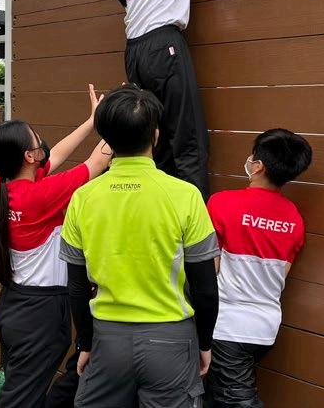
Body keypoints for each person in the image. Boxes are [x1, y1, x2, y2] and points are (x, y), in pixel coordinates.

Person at [60, 84, 221, 407]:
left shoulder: (83, 197)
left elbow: (76, 287)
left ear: (106, 140)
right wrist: (204, 343)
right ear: (155, 135)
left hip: (107, 340)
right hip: (172, 341)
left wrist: (86, 343)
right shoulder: (186, 195)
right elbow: (205, 286)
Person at [0, 85, 112, 408]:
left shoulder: (3, 189)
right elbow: (97, 163)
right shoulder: (40, 197)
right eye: (36, 138)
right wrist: (116, 119)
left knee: (24, 393)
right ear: (29, 156)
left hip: (15, 306)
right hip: (41, 315)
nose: (41, 141)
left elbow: (54, 156)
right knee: (20, 401)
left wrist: (91, 122)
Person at [115, 0, 233, 198]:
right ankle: (193, 221)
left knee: (157, 140)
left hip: (134, 53)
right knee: (188, 138)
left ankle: (159, 212)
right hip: (163, 45)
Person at [204, 129, 312, 408]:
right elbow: (280, 276)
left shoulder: (222, 203)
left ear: (258, 165)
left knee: (236, 399)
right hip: (265, 329)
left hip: (229, 326)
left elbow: (210, 269)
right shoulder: (294, 218)